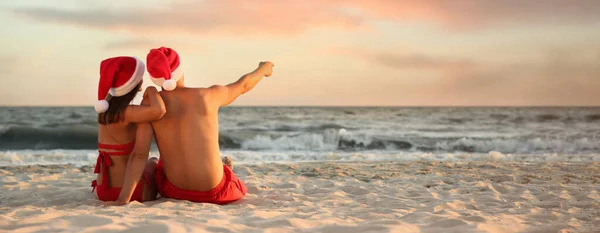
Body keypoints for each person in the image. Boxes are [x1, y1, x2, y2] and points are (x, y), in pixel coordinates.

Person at [108, 47, 274, 205]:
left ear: (153, 77)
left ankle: (221, 167)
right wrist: (263, 69)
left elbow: (139, 154)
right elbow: (244, 85)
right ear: (180, 70)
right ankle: (222, 169)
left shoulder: (150, 104)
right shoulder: (207, 95)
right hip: (214, 191)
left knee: (156, 161)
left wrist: (123, 199)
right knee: (225, 175)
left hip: (174, 190)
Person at [92, 56, 166, 202]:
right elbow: (159, 110)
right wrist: (151, 90)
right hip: (130, 193)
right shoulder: (127, 113)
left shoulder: (105, 111)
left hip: (102, 191)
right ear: (134, 83)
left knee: (150, 161)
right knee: (154, 162)